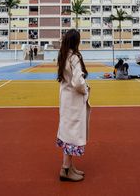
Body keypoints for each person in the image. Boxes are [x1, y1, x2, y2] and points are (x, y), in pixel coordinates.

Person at [57, 29, 90, 182]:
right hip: (74, 101)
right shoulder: (75, 57)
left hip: (65, 99)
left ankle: (70, 167)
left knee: (67, 133)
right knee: (72, 134)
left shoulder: (64, 55)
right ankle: (65, 169)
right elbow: (77, 81)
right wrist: (85, 89)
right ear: (75, 41)